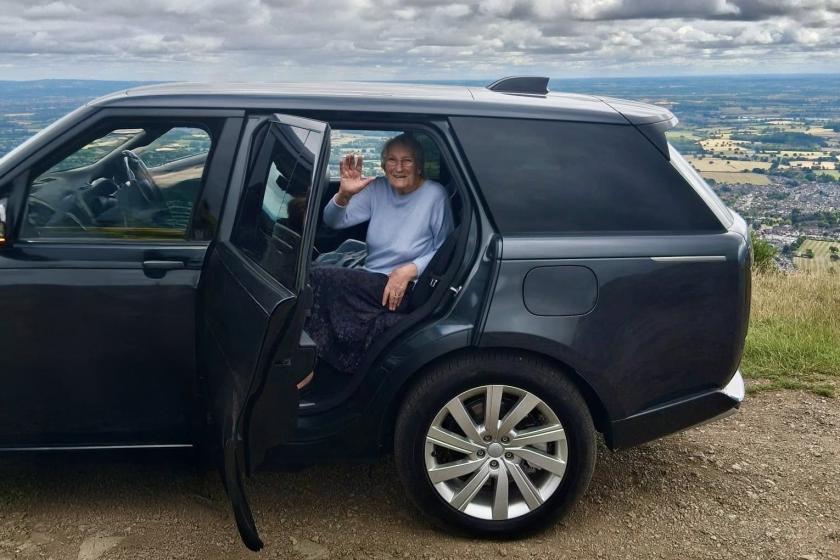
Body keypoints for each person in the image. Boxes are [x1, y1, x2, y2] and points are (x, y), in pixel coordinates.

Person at [302, 133, 454, 378]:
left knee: (317, 276)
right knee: (316, 270)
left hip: (404, 288)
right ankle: (324, 357)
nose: (399, 167)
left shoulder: (434, 195)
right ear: (383, 166)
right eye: (392, 160)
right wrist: (344, 194)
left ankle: (309, 362)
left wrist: (410, 270)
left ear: (419, 165)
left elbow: (446, 249)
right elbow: (333, 221)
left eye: (407, 160)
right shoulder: (379, 188)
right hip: (373, 279)